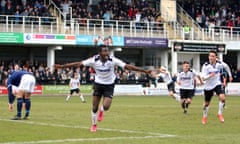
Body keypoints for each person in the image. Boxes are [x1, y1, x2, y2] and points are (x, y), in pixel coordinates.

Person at [54, 44, 151, 132]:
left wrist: (144, 71)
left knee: (106, 106)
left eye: (107, 51)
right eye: (104, 51)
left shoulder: (112, 60)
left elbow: (127, 66)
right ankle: (94, 125)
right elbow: (78, 64)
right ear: (100, 53)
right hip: (98, 84)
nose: (107, 53)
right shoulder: (93, 60)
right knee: (94, 107)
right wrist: (62, 66)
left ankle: (102, 110)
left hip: (109, 85)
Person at [201, 51, 232, 124]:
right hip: (208, 86)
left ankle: (220, 114)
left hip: (217, 84)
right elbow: (203, 78)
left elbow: (226, 66)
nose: (211, 58)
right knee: (206, 104)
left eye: (212, 56)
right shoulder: (206, 66)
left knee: (222, 98)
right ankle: (204, 117)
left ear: (216, 57)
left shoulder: (219, 63)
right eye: (210, 56)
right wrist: (210, 76)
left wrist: (230, 75)